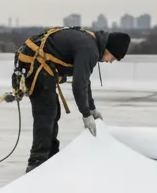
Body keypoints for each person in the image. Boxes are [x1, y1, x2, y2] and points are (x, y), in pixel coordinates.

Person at [14, 26, 130, 172]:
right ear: (110, 49)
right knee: (46, 113)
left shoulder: (91, 45)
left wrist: (92, 108)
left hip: (41, 65)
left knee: (53, 111)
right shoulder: (90, 49)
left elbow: (84, 81)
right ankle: (37, 162)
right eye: (114, 57)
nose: (112, 61)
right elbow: (79, 84)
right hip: (35, 64)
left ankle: (50, 155)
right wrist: (86, 114)